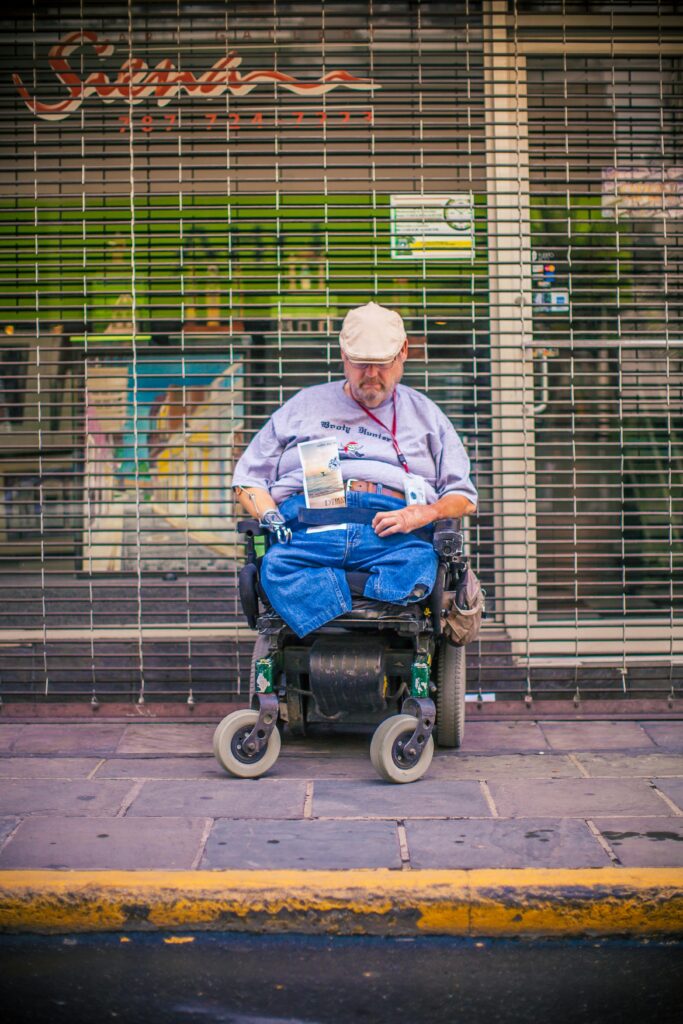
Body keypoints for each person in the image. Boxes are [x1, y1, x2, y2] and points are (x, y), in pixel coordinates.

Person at [232, 301, 477, 637]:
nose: (372, 376)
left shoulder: (427, 415)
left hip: (394, 533)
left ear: (403, 353)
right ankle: (371, 612)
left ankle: (333, 612)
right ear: (344, 356)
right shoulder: (303, 406)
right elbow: (248, 479)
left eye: (382, 364)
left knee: (422, 565)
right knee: (274, 568)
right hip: (310, 528)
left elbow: (463, 496)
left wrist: (422, 514)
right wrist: (270, 515)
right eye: (362, 364)